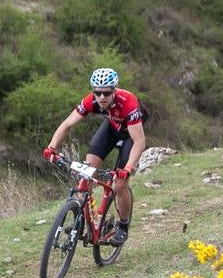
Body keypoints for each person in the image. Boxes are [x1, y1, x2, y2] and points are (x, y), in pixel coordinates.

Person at [42, 67, 147, 246]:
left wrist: (128, 167)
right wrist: (52, 147)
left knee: (120, 184)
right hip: (112, 129)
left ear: (114, 90)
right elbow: (67, 124)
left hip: (130, 134)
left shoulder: (128, 103)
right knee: (86, 172)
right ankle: (82, 220)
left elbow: (139, 141)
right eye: (98, 93)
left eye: (106, 93)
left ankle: (123, 227)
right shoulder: (92, 101)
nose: (102, 97)